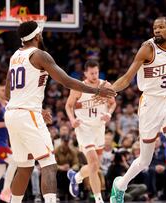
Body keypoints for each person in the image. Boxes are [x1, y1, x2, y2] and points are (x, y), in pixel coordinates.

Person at [4, 21, 115, 203]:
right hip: (27, 114)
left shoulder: (15, 56)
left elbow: (9, 92)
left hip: (13, 114)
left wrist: (37, 109)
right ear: (38, 36)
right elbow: (66, 81)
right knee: (48, 164)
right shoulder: (39, 55)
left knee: (24, 167)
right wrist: (97, 90)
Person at [109, 16, 166, 203]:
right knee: (144, 160)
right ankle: (121, 184)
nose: (156, 30)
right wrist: (109, 90)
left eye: (161, 27)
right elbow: (127, 78)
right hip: (150, 104)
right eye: (155, 28)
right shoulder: (147, 49)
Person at [65, 60, 116, 203]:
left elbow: (113, 103)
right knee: (93, 162)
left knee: (95, 166)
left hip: (99, 128)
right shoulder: (78, 87)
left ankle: (76, 177)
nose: (94, 75)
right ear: (85, 73)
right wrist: (72, 120)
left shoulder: (105, 85)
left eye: (96, 72)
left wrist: (109, 114)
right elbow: (68, 106)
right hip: (84, 128)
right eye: (91, 73)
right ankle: (99, 200)